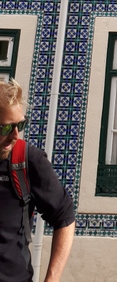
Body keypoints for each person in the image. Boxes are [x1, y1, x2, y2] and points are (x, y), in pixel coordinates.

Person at [0, 78, 75, 282]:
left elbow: (65, 218)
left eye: (20, 125)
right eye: (6, 128)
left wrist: (52, 279)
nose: (15, 135)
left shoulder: (28, 160)